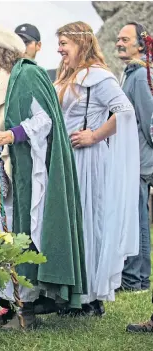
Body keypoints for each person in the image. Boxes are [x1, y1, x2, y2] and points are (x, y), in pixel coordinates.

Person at [0, 24, 86, 329]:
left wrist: (10, 136)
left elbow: (45, 119)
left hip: (27, 174)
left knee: (21, 237)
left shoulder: (27, 74)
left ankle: (24, 307)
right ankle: (4, 304)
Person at [54, 21, 140, 316]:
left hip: (88, 159)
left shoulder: (99, 77)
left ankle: (91, 297)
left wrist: (94, 135)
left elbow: (125, 111)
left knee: (88, 222)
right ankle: (72, 291)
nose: (60, 49)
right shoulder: (67, 75)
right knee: (71, 224)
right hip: (66, 159)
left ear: (81, 43)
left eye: (64, 43)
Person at [117, 22, 153, 293]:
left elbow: (148, 119)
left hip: (139, 160)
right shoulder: (131, 73)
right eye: (118, 39)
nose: (119, 43)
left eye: (125, 39)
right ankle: (136, 278)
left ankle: (136, 280)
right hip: (135, 159)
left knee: (138, 219)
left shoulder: (139, 76)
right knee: (136, 217)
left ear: (141, 44)